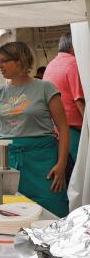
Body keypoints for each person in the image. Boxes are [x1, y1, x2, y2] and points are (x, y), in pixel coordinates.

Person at [0, 42, 69, 217]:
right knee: (13, 213)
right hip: (8, 163)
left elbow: (63, 128)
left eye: (4, 61)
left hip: (43, 162)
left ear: (20, 61)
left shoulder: (46, 88)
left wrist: (61, 164)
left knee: (52, 210)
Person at [43, 32, 84, 182]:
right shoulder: (73, 64)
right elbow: (79, 100)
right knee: (81, 174)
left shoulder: (51, 64)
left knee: (69, 175)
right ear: (75, 47)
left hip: (56, 129)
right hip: (73, 130)